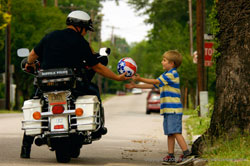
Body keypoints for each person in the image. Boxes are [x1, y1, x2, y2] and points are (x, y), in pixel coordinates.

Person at [20, 10, 130, 159]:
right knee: (94, 90)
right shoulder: (80, 42)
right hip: (72, 86)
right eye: (86, 30)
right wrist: (117, 77)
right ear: (80, 27)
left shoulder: (50, 36)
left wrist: (30, 64)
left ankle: (26, 148)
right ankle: (98, 128)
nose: (85, 33)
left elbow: (32, 56)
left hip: (46, 85)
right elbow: (96, 66)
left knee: (35, 101)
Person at [125, 50, 194, 165]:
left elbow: (155, 81)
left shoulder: (172, 74)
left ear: (171, 63)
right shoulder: (165, 75)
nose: (162, 62)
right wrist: (135, 85)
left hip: (173, 109)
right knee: (170, 133)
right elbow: (153, 84)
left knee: (176, 132)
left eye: (164, 60)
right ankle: (171, 156)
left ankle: (186, 153)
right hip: (167, 109)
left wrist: (140, 79)